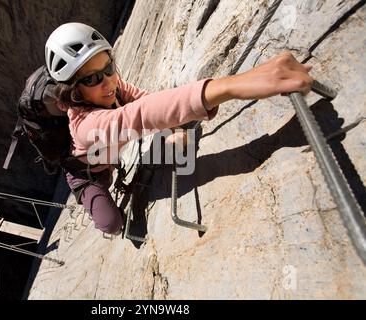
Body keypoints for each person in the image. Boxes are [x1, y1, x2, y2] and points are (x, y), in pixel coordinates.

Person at [44, 22, 313, 235]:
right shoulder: (85, 127)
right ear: (74, 92)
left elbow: (146, 101)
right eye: (91, 78)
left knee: (176, 121)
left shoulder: (111, 88)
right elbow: (138, 116)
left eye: (109, 67)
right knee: (111, 224)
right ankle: (95, 203)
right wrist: (230, 86)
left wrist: (173, 126)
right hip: (88, 173)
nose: (108, 82)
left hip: (107, 155)